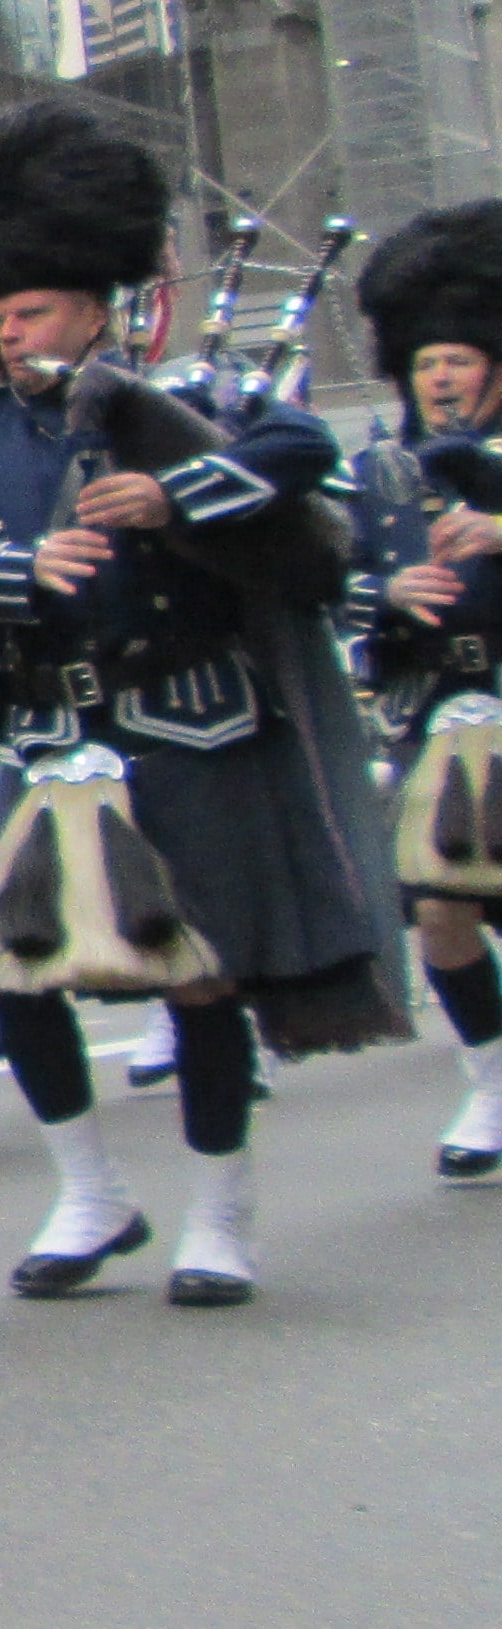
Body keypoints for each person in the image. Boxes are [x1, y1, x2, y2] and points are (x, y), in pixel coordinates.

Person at [0, 98, 402, 1308]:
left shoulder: (193, 396)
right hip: (52, 732)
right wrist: (20, 574)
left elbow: (298, 460)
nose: (11, 332)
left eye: (32, 310)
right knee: (16, 975)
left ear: (92, 300)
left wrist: (174, 497)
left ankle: (221, 1217)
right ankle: (90, 1194)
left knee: (197, 976)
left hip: (187, 724)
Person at [349, 201, 502, 1178]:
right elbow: (328, 584)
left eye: (461, 358)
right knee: (442, 915)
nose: (441, 377)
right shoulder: (378, 474)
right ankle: (490, 1081)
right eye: (426, 362)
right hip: (428, 713)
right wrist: (386, 593)